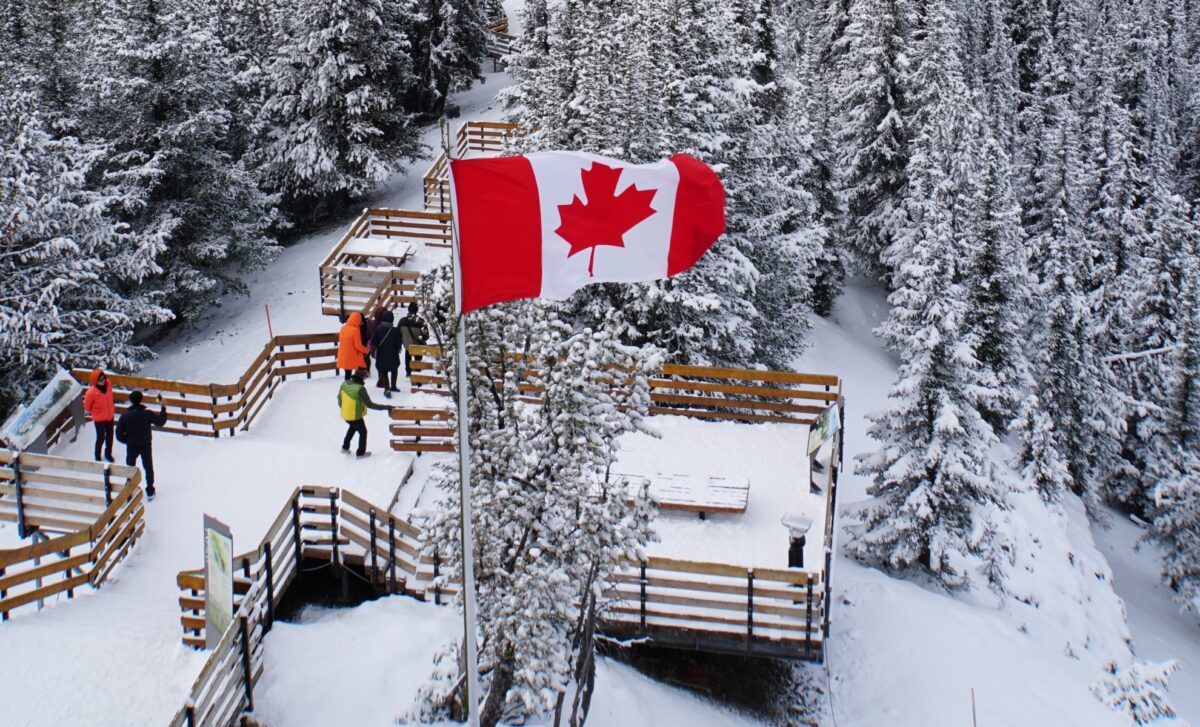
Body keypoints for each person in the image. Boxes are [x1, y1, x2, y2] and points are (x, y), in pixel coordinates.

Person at [115, 390, 168, 498]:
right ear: (141, 399)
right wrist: (163, 407)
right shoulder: (146, 414)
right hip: (145, 445)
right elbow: (160, 422)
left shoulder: (125, 416)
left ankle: (129, 489)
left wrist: (128, 440)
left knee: (130, 467)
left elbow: (118, 435)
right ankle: (149, 490)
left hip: (132, 446)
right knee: (148, 467)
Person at [337, 369, 387, 457]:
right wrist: (384, 407)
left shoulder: (344, 384)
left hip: (345, 414)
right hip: (355, 415)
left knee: (353, 427)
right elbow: (369, 404)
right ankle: (360, 453)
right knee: (363, 432)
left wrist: (343, 408)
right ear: (362, 378)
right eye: (365, 378)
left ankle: (345, 447)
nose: (365, 380)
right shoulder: (360, 389)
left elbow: (339, 398)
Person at [83, 369, 116, 462]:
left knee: (110, 436)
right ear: (95, 381)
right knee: (101, 437)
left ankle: (108, 454)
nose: (103, 381)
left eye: (103, 378)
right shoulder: (91, 392)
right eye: (100, 379)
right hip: (99, 419)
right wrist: (96, 411)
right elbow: (87, 407)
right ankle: (97, 455)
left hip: (110, 416)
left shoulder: (108, 384)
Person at [370, 309, 402, 396]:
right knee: (394, 370)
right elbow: (399, 343)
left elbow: (373, 343)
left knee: (383, 371)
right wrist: (398, 348)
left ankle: (387, 388)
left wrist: (373, 352)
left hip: (382, 355)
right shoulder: (395, 330)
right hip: (393, 354)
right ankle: (394, 386)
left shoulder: (377, 329)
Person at [397, 302, 429, 378]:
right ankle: (417, 371)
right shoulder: (421, 321)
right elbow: (426, 335)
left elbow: (398, 334)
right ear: (416, 310)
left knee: (407, 355)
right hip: (418, 345)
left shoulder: (402, 321)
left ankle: (408, 371)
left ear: (408, 309)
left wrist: (400, 344)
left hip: (407, 345)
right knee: (418, 358)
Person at [337, 311, 370, 380]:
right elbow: (358, 345)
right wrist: (366, 350)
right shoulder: (355, 330)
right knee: (360, 372)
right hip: (351, 355)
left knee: (347, 374)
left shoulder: (343, 328)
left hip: (343, 354)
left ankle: (346, 388)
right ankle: (355, 388)